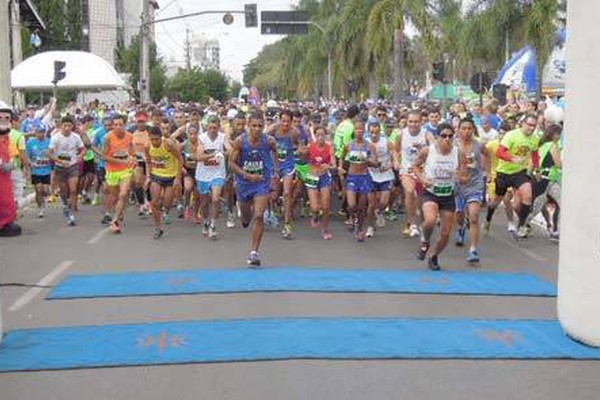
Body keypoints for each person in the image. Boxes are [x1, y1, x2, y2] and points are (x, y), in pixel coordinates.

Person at [414, 123, 467, 270]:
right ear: (437, 137)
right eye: (444, 136)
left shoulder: (459, 153)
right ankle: (425, 240)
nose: (447, 139)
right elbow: (415, 166)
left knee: (446, 233)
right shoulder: (428, 151)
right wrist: (422, 179)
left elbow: (465, 178)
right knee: (430, 220)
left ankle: (434, 256)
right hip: (431, 192)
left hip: (447, 195)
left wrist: (459, 177)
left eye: (450, 136)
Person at [229, 111, 279, 266]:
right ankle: (244, 216)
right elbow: (231, 164)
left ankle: (254, 253)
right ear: (248, 126)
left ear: (263, 126)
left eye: (260, 126)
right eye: (254, 126)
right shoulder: (239, 141)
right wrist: (246, 175)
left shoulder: (269, 141)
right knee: (246, 219)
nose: (257, 129)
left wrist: (275, 173)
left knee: (258, 216)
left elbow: (276, 154)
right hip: (244, 183)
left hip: (261, 183)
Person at [489, 114, 541, 239]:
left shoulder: (534, 139)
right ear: (522, 123)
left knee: (527, 196)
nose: (531, 128)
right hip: (504, 172)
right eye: (529, 125)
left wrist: (537, 169)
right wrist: (513, 158)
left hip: (519, 173)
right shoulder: (511, 135)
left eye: (534, 126)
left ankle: (521, 226)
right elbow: (499, 152)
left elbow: (535, 155)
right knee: (496, 201)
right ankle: (488, 219)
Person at [454, 118, 490, 263]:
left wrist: (488, 172)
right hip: (458, 185)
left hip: (475, 184)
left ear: (473, 130)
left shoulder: (479, 144)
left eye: (469, 128)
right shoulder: (454, 145)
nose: (467, 131)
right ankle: (461, 227)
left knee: (474, 217)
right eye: (463, 128)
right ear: (458, 130)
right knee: (459, 214)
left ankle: (473, 250)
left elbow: (488, 155)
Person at [338, 118, 378, 242]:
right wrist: (340, 167)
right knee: (351, 205)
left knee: (361, 207)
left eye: (361, 128)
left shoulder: (369, 145)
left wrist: (369, 161)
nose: (358, 131)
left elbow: (376, 163)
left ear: (364, 130)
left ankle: (359, 229)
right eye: (356, 129)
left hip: (364, 177)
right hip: (352, 177)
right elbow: (341, 156)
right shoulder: (349, 145)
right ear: (354, 131)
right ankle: (352, 217)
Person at [396, 110, 434, 238]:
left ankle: (418, 222)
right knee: (409, 190)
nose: (413, 124)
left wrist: (425, 150)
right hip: (407, 168)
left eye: (416, 121)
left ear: (421, 122)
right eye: (410, 121)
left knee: (421, 199)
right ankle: (412, 223)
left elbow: (434, 148)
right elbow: (395, 150)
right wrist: (396, 162)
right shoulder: (402, 134)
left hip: (422, 170)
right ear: (407, 122)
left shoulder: (426, 134)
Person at [145, 125, 183, 239]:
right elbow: (148, 161)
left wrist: (178, 178)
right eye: (152, 139)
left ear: (161, 137)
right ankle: (158, 227)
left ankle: (165, 211)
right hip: (157, 175)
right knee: (155, 202)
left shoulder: (168, 144)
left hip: (171, 176)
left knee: (167, 202)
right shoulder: (147, 146)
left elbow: (180, 159)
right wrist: (148, 176)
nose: (154, 141)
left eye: (156, 139)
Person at [196, 116, 230, 239]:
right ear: (207, 128)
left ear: (219, 127)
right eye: (210, 128)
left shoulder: (223, 137)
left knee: (215, 199)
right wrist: (214, 154)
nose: (212, 130)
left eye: (215, 128)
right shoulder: (201, 138)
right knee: (204, 203)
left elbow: (230, 150)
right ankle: (206, 221)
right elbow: (199, 157)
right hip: (203, 174)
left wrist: (224, 153)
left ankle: (213, 225)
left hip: (218, 173)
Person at [48, 115, 85, 226]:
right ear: (61, 126)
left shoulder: (76, 137)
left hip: (73, 166)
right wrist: (59, 161)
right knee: (63, 191)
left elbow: (83, 149)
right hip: (60, 168)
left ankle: (71, 212)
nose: (67, 128)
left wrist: (80, 156)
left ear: (72, 126)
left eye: (69, 126)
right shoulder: (55, 138)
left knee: (73, 189)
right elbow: (49, 153)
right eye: (65, 126)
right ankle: (65, 204)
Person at [269, 110, 300, 239]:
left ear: (292, 122)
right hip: (274, 165)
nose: (285, 123)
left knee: (287, 192)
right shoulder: (273, 129)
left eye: (288, 121)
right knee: (274, 194)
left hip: (288, 165)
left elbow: (298, 146)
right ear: (279, 120)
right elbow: (263, 139)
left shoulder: (295, 133)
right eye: (283, 120)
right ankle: (272, 210)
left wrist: (297, 151)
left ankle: (287, 224)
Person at [366, 119, 399, 237]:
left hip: (386, 174)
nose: (374, 135)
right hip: (371, 174)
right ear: (368, 132)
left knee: (384, 202)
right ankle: (370, 226)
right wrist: (369, 162)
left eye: (376, 132)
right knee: (371, 203)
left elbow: (394, 153)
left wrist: (394, 163)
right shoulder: (366, 143)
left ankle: (379, 211)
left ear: (380, 132)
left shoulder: (386, 142)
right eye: (372, 132)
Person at [103, 114, 135, 234]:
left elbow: (132, 152)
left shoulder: (129, 136)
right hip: (112, 170)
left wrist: (133, 158)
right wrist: (120, 160)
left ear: (125, 125)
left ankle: (114, 221)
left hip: (125, 170)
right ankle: (118, 211)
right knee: (115, 196)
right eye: (115, 125)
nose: (118, 127)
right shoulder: (108, 138)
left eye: (120, 124)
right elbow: (105, 157)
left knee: (123, 194)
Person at [306, 125, 336, 240]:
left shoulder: (329, 148)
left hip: (324, 177)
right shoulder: (310, 147)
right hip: (312, 177)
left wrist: (328, 166)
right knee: (314, 208)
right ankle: (315, 216)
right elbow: (304, 162)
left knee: (326, 205)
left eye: (322, 135)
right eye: (318, 135)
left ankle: (325, 228)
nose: (320, 137)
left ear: (325, 136)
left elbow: (334, 165)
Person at [0, 102, 22, 237]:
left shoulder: (7, 138)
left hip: (5, 176)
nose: (3, 121)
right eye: (0, 118)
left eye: (6, 118)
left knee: (7, 200)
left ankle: (6, 223)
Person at [25, 123, 52, 218]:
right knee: (38, 190)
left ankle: (43, 200)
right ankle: (40, 208)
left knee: (45, 190)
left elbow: (53, 154)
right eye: (38, 132)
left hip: (46, 170)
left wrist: (50, 157)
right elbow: (26, 156)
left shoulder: (49, 141)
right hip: (35, 171)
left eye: (42, 132)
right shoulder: (30, 143)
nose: (40, 134)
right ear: (35, 133)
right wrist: (29, 163)